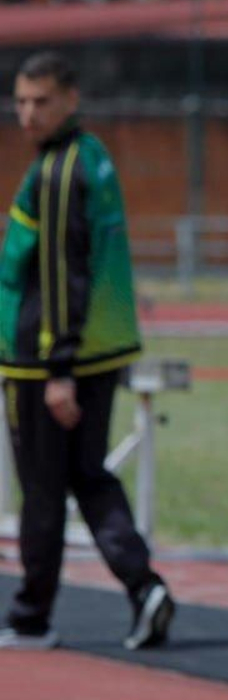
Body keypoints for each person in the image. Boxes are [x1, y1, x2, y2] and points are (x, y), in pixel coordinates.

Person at [0, 52, 175, 651]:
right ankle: (144, 586)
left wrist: (58, 370)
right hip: (100, 352)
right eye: (20, 101)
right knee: (89, 476)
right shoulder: (94, 157)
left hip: (50, 360)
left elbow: (59, 272)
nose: (27, 114)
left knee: (42, 489)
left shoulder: (56, 172)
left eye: (40, 101)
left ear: (70, 98)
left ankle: (31, 616)